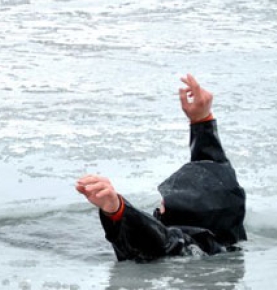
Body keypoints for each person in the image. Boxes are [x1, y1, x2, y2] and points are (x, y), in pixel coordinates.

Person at [76, 74, 246, 262]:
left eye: (165, 202)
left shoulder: (186, 246)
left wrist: (117, 209)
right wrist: (202, 121)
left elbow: (161, 240)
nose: (160, 206)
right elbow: (215, 174)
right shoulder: (228, 227)